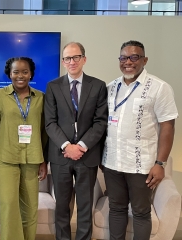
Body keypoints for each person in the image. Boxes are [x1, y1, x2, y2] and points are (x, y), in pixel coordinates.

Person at [102, 40, 178, 240]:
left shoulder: (160, 88)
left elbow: (168, 127)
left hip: (141, 166)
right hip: (112, 164)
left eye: (134, 57)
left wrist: (160, 163)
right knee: (116, 209)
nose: (128, 61)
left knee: (141, 212)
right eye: (124, 57)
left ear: (144, 60)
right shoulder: (111, 87)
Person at [44, 42, 108, 240]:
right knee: (62, 205)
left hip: (86, 155)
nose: (72, 62)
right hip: (60, 156)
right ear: (63, 62)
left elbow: (100, 122)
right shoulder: (53, 87)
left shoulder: (97, 86)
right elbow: (50, 123)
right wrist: (67, 146)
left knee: (85, 205)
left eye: (76, 57)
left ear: (84, 59)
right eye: (67, 58)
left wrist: (80, 146)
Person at [0, 57, 48, 240]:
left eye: (25, 71)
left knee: (30, 207)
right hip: (6, 159)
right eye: (16, 72)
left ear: (31, 74)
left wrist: (44, 160)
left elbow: (44, 131)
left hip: (32, 159)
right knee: (9, 205)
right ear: (9, 74)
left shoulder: (40, 98)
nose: (20, 76)